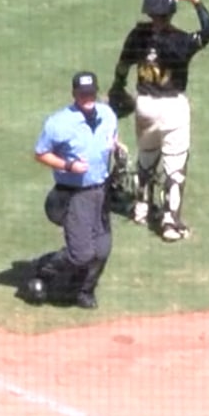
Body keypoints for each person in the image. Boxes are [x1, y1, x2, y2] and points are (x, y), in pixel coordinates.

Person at [107, 0, 209, 242]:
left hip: (144, 105)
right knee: (175, 167)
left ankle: (141, 209)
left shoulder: (138, 35)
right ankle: (170, 222)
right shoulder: (181, 41)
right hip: (172, 107)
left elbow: (123, 65)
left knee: (146, 157)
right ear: (171, 10)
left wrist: (118, 87)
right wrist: (195, 0)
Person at [25, 71, 122, 310]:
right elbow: (41, 153)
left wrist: (117, 148)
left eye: (90, 93)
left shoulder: (108, 115)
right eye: (82, 94)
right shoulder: (58, 123)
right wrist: (68, 165)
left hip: (101, 191)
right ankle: (45, 265)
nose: (87, 98)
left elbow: (112, 138)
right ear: (74, 94)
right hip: (74, 194)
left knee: (102, 250)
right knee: (81, 254)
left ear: (96, 93)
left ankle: (83, 291)